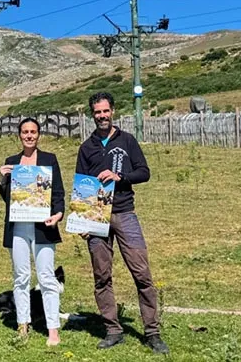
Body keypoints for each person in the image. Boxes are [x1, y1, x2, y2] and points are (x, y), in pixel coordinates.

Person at [76, 92, 169, 354]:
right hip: (97, 218)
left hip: (125, 213)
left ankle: (152, 332)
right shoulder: (86, 147)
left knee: (141, 273)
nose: (102, 116)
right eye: (97, 112)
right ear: (92, 114)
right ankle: (113, 329)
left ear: (113, 112)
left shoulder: (127, 140)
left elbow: (144, 172)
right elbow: (82, 186)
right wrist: (83, 219)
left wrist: (120, 177)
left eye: (105, 111)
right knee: (101, 275)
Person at [0, 117, 65, 346]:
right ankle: (23, 324)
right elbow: (6, 197)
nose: (29, 135)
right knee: (21, 277)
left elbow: (57, 193)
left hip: (43, 227)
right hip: (18, 227)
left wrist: (58, 215)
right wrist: (3, 178)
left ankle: (53, 329)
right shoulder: (11, 161)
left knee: (47, 277)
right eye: (25, 132)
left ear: (39, 135)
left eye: (33, 132)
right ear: (19, 135)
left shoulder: (49, 160)